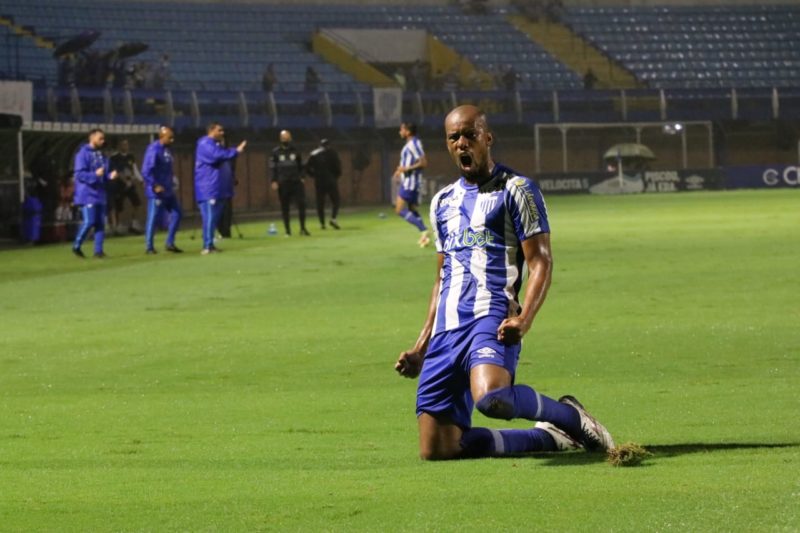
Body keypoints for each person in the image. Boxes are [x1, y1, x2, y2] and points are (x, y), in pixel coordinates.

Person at [394, 105, 615, 460]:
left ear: (487, 138)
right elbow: (441, 278)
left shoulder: (517, 190)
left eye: (470, 135)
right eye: (454, 137)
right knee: (438, 449)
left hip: (492, 316)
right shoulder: (441, 202)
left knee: (492, 397)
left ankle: (571, 418)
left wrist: (524, 320)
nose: (462, 143)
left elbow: (541, 261)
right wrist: (421, 346)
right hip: (447, 329)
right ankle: (549, 439)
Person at [194, 122, 246, 254]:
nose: (222, 133)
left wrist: (231, 178)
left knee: (214, 218)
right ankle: (207, 246)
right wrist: (236, 151)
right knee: (210, 217)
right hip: (209, 188)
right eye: (220, 130)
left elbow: (223, 161)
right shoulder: (205, 143)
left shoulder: (216, 145)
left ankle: (210, 244)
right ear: (211, 130)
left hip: (219, 188)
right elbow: (217, 156)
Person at [72, 128, 118, 258]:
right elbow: (79, 174)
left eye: (103, 138)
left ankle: (98, 251)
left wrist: (110, 176)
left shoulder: (102, 156)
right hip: (87, 194)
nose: (103, 141)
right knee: (89, 221)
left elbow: (104, 174)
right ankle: (76, 245)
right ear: (92, 138)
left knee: (100, 223)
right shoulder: (82, 154)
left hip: (100, 193)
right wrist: (94, 175)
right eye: (100, 138)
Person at [141, 126, 182, 254]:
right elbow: (146, 171)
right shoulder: (153, 149)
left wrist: (172, 180)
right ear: (162, 137)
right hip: (156, 192)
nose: (172, 140)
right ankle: (149, 247)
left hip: (168, 189)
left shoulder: (167, 150)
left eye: (173, 137)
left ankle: (169, 242)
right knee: (153, 217)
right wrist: (155, 185)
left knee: (177, 213)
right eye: (170, 138)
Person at [392, 122, 429, 247]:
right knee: (412, 209)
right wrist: (400, 171)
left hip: (411, 183)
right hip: (409, 181)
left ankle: (424, 230)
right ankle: (424, 235)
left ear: (407, 132)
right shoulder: (410, 144)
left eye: (401, 129)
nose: (399, 132)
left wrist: (406, 169)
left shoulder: (414, 143)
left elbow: (423, 163)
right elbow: (408, 162)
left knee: (399, 210)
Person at [270, 130, 309, 236]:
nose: (285, 139)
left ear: (290, 138)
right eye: (283, 137)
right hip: (283, 183)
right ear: (280, 139)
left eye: (287, 137)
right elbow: (273, 167)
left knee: (301, 204)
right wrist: (273, 180)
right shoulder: (276, 152)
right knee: (285, 207)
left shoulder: (296, 150)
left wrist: (302, 177)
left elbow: (302, 165)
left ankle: (303, 228)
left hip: (296, 182)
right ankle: (288, 231)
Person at [108, 139, 143, 235]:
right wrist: (124, 181)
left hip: (130, 183)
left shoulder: (130, 157)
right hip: (119, 185)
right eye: (123, 144)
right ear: (119, 146)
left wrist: (141, 180)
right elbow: (115, 171)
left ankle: (134, 223)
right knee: (119, 206)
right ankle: (117, 225)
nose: (125, 146)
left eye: (126, 144)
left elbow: (134, 169)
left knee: (137, 203)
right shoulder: (115, 158)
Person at [305, 138, 342, 230]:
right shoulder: (333, 153)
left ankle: (322, 223)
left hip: (319, 181)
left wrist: (313, 175)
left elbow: (306, 167)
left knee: (320, 202)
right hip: (331, 180)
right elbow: (338, 167)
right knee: (336, 200)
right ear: (329, 145)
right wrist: (335, 177)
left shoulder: (314, 154)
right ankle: (333, 218)